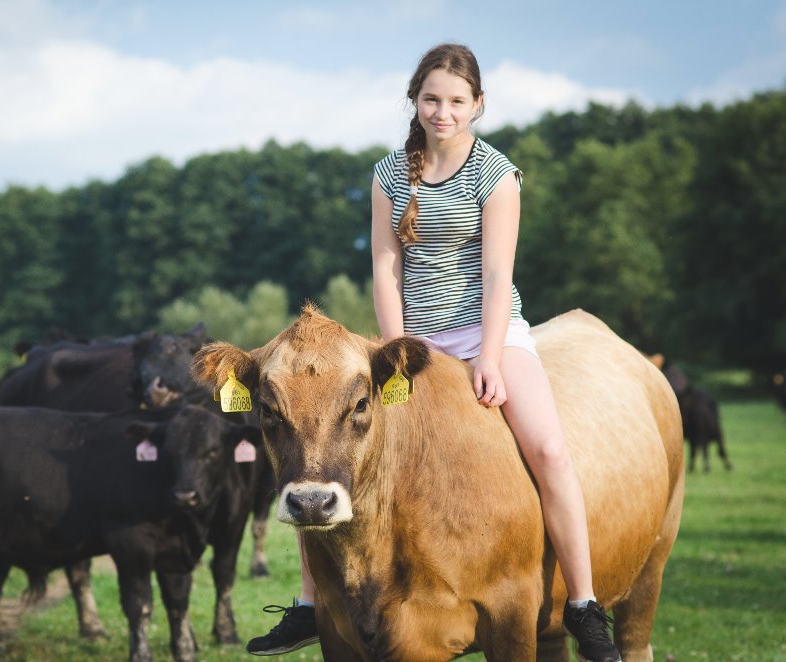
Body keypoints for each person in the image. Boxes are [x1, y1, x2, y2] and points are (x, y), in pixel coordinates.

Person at [247, 43, 621, 662]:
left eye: (455, 101)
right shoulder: (389, 173)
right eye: (430, 99)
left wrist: (493, 359)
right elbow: (385, 267)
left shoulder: (496, 174)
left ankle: (583, 605)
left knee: (551, 450)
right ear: (415, 104)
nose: (442, 112)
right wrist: (394, 353)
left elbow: (500, 275)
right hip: (409, 342)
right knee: (324, 449)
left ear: (477, 105)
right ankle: (312, 605)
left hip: (486, 333)